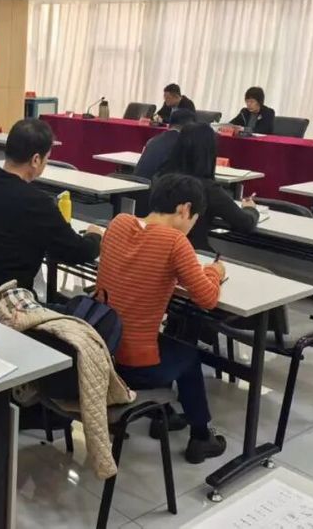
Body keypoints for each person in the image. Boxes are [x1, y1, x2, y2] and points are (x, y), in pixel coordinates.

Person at [95, 174, 227, 462]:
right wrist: (215, 272)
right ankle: (201, 437)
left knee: (168, 342)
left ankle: (164, 415)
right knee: (189, 356)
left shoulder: (119, 223)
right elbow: (207, 298)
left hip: (101, 349)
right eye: (194, 220)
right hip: (132, 365)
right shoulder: (175, 241)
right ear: (184, 209)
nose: (191, 228)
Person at [0, 118, 104, 292]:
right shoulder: (36, 202)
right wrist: (94, 236)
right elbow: (77, 252)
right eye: (47, 158)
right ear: (36, 160)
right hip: (7, 299)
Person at [157, 123, 259, 252]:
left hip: (161, 248)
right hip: (193, 254)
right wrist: (250, 209)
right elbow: (245, 223)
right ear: (209, 152)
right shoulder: (207, 188)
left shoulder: (162, 179)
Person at [134, 109, 196, 181]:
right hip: (155, 185)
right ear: (189, 127)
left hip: (136, 182)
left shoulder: (153, 140)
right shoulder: (182, 143)